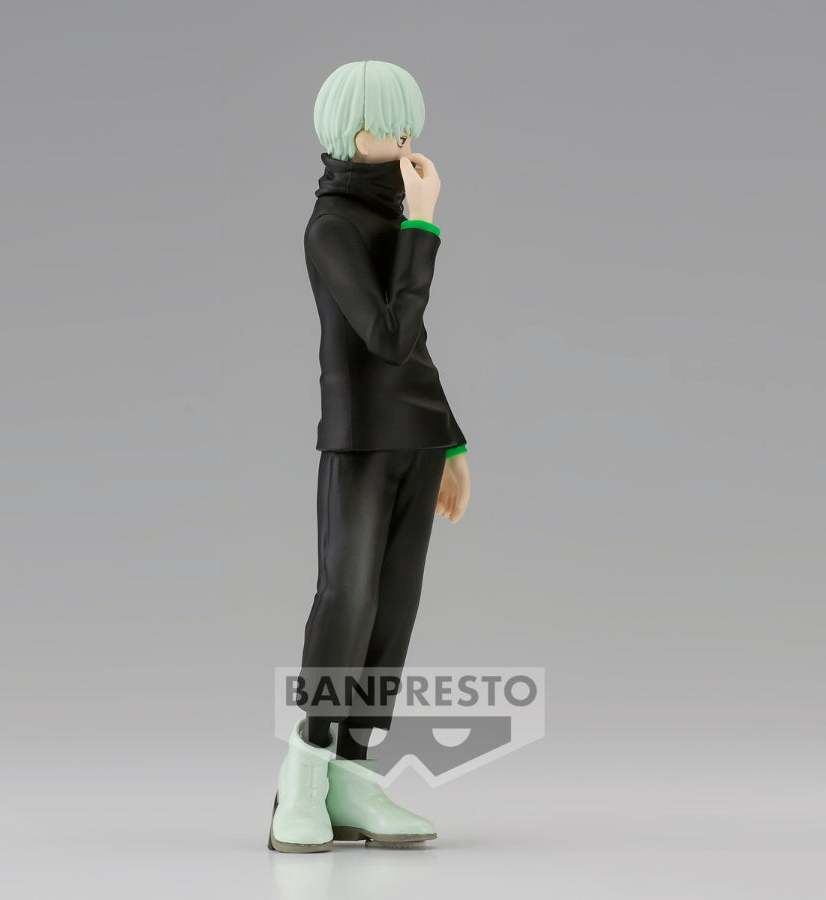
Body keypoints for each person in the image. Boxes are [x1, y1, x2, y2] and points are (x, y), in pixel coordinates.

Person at [268, 60, 471, 853]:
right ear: (349, 132)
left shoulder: (392, 219)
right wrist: (425, 226)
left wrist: (451, 440)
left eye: (407, 122)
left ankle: (354, 776)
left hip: (415, 440)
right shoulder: (332, 227)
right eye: (389, 124)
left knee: (393, 610)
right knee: (345, 601)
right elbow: (387, 335)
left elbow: (417, 348)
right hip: (358, 441)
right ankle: (303, 778)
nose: (404, 136)